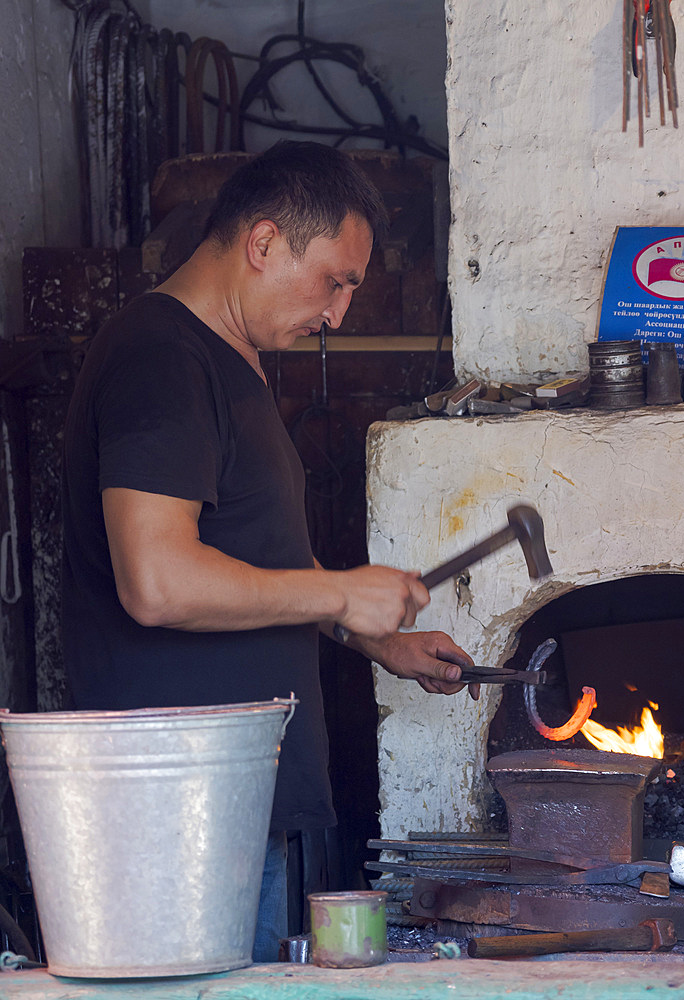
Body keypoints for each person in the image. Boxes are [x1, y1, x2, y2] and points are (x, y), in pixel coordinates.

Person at [61, 140, 478, 963]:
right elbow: (159, 582)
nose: (339, 314)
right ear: (262, 244)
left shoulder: (232, 364)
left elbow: (258, 562)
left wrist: (376, 638)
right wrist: (340, 594)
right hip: (184, 808)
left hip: (241, 798)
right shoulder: (161, 359)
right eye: (336, 281)